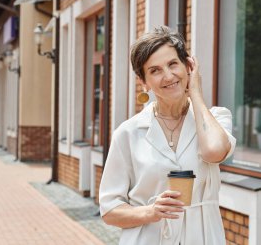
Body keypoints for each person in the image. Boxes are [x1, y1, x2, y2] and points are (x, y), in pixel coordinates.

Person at [99, 26, 236, 245]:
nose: (168, 76)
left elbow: (213, 152)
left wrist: (196, 93)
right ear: (144, 82)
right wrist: (151, 212)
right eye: (155, 70)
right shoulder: (128, 133)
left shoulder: (217, 118)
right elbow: (109, 210)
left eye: (173, 64)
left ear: (188, 66)